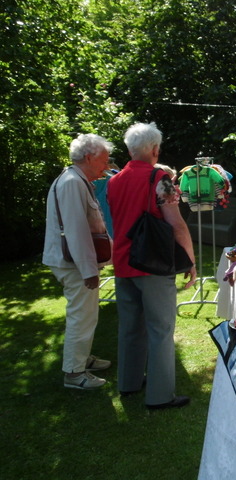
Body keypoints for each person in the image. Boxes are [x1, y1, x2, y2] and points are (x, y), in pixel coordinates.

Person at [107, 122, 197, 410]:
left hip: (123, 262)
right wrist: (190, 261)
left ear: (130, 150)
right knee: (160, 330)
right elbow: (176, 224)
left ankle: (129, 383)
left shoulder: (113, 180)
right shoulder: (160, 178)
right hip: (153, 263)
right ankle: (160, 396)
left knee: (130, 327)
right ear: (155, 149)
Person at [43, 133, 114, 390]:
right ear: (89, 157)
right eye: (104, 160)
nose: (106, 166)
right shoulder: (72, 182)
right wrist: (88, 270)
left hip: (74, 262)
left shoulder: (77, 180)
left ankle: (82, 358)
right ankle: (74, 373)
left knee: (87, 314)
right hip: (73, 264)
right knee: (81, 316)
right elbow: (75, 230)